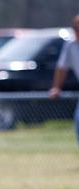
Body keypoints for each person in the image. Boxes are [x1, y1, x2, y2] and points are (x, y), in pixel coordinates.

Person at [49, 14, 79, 146]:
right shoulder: (70, 45)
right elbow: (61, 68)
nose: (77, 32)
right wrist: (56, 87)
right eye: (76, 29)